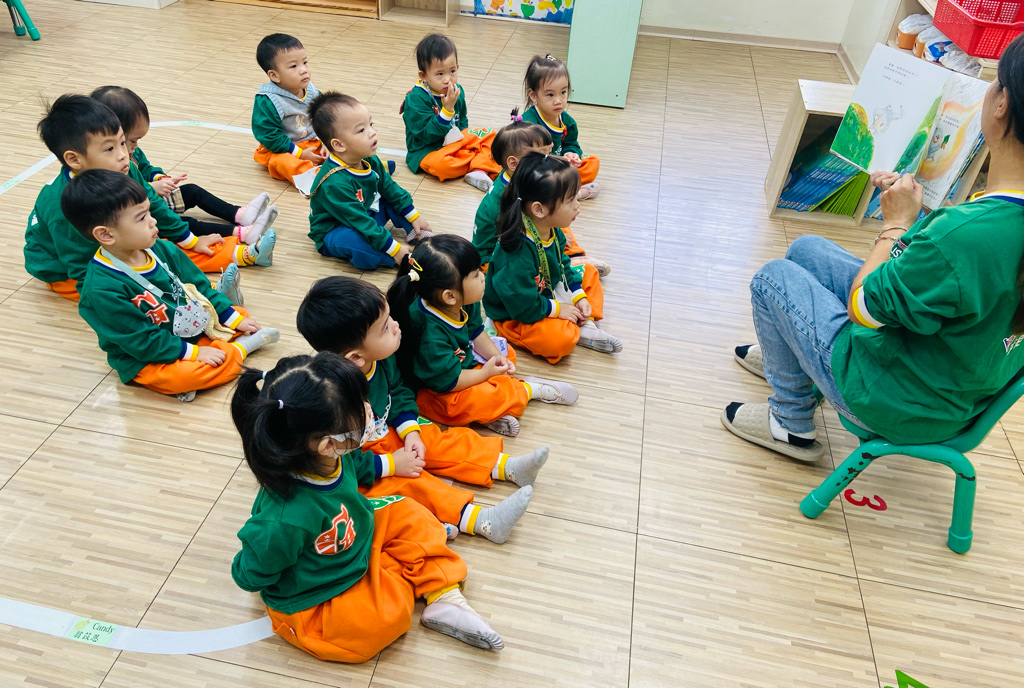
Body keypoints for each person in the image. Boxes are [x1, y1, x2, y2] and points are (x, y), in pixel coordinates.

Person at [722, 33, 1024, 462]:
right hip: (954, 380)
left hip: (897, 399)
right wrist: (914, 219)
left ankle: (789, 422)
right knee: (807, 250)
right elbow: (957, 278)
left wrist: (896, 225)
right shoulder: (991, 219)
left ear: (1002, 105)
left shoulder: (965, 234)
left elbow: (863, 308)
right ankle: (789, 360)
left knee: (773, 279)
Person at [230, 352, 506, 662]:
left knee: (410, 511)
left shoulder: (333, 454)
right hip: (321, 591)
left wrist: (390, 466)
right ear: (328, 444)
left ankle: (445, 597)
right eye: (359, 408)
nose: (368, 409)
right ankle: (410, 573)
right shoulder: (283, 519)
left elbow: (361, 469)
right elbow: (248, 574)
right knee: (380, 622)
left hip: (355, 536)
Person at [297, 275, 542, 540]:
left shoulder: (380, 358)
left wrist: (410, 430)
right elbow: (341, 464)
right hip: (365, 460)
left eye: (390, 318)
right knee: (410, 484)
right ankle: (481, 521)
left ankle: (509, 467)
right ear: (355, 357)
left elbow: (398, 390)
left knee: (438, 439)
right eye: (385, 327)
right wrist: (390, 464)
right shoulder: (332, 398)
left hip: (388, 432)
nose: (396, 325)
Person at [24, 96, 273, 302]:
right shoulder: (62, 207)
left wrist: (191, 240)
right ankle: (203, 295)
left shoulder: (124, 168)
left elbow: (155, 205)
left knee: (163, 248)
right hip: (67, 271)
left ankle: (244, 255)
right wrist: (106, 300)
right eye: (110, 148)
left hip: (115, 241)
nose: (124, 154)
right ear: (74, 159)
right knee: (131, 284)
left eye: (123, 142)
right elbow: (80, 266)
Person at [62, 170, 280, 401]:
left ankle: (223, 354)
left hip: (189, 327)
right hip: (148, 353)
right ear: (106, 235)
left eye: (149, 212)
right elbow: (140, 342)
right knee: (181, 377)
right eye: (141, 218)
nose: (153, 221)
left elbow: (201, 286)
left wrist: (232, 318)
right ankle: (240, 349)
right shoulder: (101, 288)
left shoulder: (161, 248)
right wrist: (193, 353)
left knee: (237, 314)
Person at [387, 234, 579, 437]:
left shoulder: (462, 300)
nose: (482, 276)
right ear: (450, 296)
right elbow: (451, 381)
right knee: (476, 399)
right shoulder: (430, 337)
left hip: (457, 365)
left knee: (506, 354)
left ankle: (492, 410)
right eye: (476, 274)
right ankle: (528, 390)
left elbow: (475, 331)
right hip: (439, 387)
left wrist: (498, 358)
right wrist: (486, 373)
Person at [91, 85, 278, 244]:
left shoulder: (133, 153)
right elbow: (128, 195)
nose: (134, 147)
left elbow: (147, 169)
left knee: (192, 191)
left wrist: (160, 178)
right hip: (138, 213)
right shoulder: (108, 167)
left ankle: (240, 214)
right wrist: (152, 188)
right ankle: (241, 233)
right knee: (184, 222)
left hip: (152, 201)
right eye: (132, 141)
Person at [483, 152, 621, 364]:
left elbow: (562, 263)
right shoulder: (517, 254)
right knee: (560, 341)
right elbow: (521, 306)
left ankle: (584, 322)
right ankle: (504, 327)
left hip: (546, 291)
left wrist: (578, 296)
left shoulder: (551, 228)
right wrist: (557, 310)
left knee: (589, 273)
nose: (577, 205)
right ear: (539, 209)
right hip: (517, 312)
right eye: (570, 200)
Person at [307, 91, 433, 270]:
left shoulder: (367, 157)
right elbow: (359, 221)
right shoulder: (334, 183)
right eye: (361, 130)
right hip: (336, 229)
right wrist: (394, 249)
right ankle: (398, 259)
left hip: (363, 213)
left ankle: (416, 231)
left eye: (371, 124)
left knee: (387, 197)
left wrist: (413, 215)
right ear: (339, 145)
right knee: (356, 242)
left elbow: (389, 187)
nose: (372, 133)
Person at [474, 114, 610, 276]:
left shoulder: (514, 175)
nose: (547, 161)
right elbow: (517, 239)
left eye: (548, 154)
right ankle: (571, 261)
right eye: (541, 157)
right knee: (555, 216)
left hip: (523, 233)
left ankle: (571, 253)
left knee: (559, 213)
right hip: (494, 258)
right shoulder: (507, 195)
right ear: (513, 163)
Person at [401, 32, 500, 192]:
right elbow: (426, 136)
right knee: (442, 166)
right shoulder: (415, 99)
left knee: (492, 135)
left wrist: (466, 141)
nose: (448, 79)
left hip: (455, 143)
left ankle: (478, 170)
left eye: (452, 71)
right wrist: (446, 111)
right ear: (423, 76)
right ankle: (480, 163)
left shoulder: (457, 90)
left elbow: (463, 120)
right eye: (440, 74)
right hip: (429, 149)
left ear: (457, 67)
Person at [520, 54, 600, 201]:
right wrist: (559, 160)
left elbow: (571, 143)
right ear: (533, 95)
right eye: (550, 95)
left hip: (559, 168)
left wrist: (571, 154)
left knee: (592, 163)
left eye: (563, 92)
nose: (558, 101)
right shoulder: (530, 124)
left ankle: (563, 192)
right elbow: (529, 159)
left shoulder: (567, 121)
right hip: (538, 170)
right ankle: (571, 194)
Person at [252, 33, 326, 191]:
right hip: (284, 148)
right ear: (274, 75)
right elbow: (269, 136)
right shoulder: (268, 100)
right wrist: (299, 153)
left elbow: (324, 117)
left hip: (313, 141)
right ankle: (317, 182)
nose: (303, 70)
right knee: (284, 162)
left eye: (305, 62)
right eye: (293, 66)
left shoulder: (311, 89)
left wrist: (326, 141)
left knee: (343, 145)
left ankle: (360, 169)